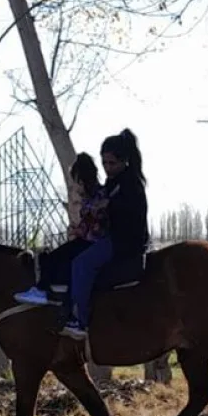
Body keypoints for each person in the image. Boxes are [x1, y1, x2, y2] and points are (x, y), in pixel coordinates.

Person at [60, 129, 149, 340]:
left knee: (82, 264)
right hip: (112, 237)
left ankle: (79, 320)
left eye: (112, 163)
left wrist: (108, 204)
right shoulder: (113, 183)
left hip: (124, 242)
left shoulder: (131, 183)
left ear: (124, 161)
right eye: (104, 163)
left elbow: (130, 211)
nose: (107, 168)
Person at [14, 153, 108, 306]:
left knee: (67, 262)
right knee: (52, 257)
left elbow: (99, 227)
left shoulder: (100, 197)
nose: (76, 187)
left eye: (76, 182)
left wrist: (80, 232)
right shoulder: (88, 198)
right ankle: (42, 289)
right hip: (85, 240)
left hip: (94, 244)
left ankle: (57, 296)